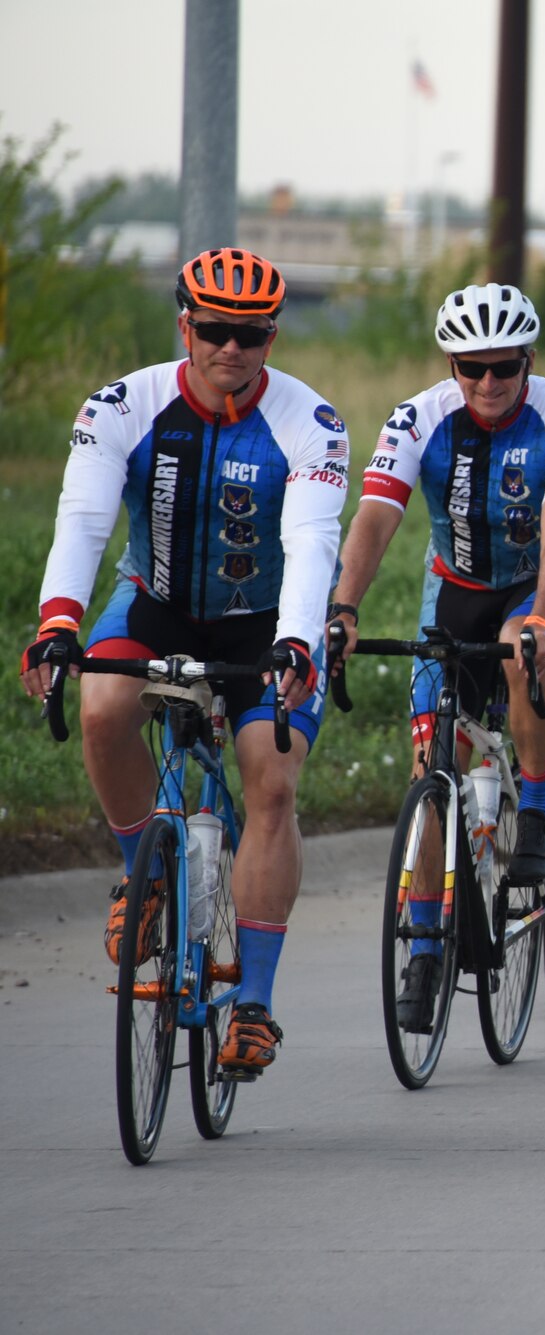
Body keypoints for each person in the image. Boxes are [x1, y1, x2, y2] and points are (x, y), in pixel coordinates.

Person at [20, 248, 346, 1077]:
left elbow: (311, 540)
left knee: (270, 779)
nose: (229, 348)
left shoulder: (314, 422)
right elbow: (84, 518)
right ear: (184, 325)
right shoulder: (125, 404)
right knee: (100, 708)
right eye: (212, 330)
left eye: (249, 334)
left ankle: (256, 1005)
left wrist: (299, 639)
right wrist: (58, 621)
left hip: (264, 625)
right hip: (156, 601)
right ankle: (144, 875)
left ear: (271, 337)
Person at [329, 283, 545, 1034]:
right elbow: (377, 516)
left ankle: (539, 810)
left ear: (528, 361)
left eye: (503, 368)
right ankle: (422, 946)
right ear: (451, 364)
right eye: (470, 368)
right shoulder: (418, 417)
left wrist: (541, 616)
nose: (486, 383)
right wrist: (344, 609)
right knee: (431, 769)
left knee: (521, 655)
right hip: (453, 585)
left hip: (539, 580)